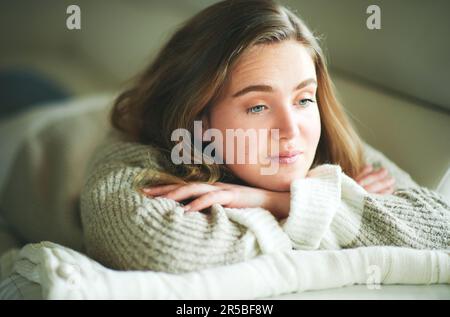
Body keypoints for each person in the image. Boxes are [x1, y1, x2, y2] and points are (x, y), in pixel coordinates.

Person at [80, 0, 449, 273]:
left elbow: (442, 230)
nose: (291, 130)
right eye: (258, 107)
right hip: (44, 131)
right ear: (199, 118)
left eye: (304, 99)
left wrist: (278, 200)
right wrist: (342, 207)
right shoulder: (132, 161)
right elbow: (164, 251)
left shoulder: (324, 144)